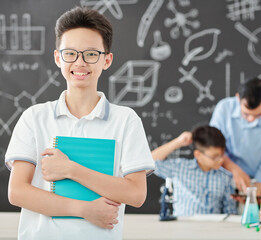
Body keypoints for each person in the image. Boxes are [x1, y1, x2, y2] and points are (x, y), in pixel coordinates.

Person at [5, 7, 154, 240]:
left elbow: (136, 194)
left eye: (91, 54)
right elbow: (17, 192)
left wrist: (70, 169)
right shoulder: (34, 118)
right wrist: (84, 210)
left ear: (107, 60)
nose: (80, 63)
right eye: (70, 53)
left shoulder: (126, 121)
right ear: (58, 58)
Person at [210, 78, 261, 196]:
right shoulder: (224, 109)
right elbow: (212, 144)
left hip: (256, 181)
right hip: (222, 177)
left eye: (258, 114)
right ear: (238, 98)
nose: (251, 119)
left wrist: (260, 180)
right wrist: (233, 168)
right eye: (246, 114)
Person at [152, 125, 238, 216]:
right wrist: (178, 142)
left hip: (213, 228)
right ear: (198, 155)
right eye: (214, 157)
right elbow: (150, 163)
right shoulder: (180, 168)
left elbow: (230, 211)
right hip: (183, 227)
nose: (220, 160)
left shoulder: (225, 178)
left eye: (222, 155)